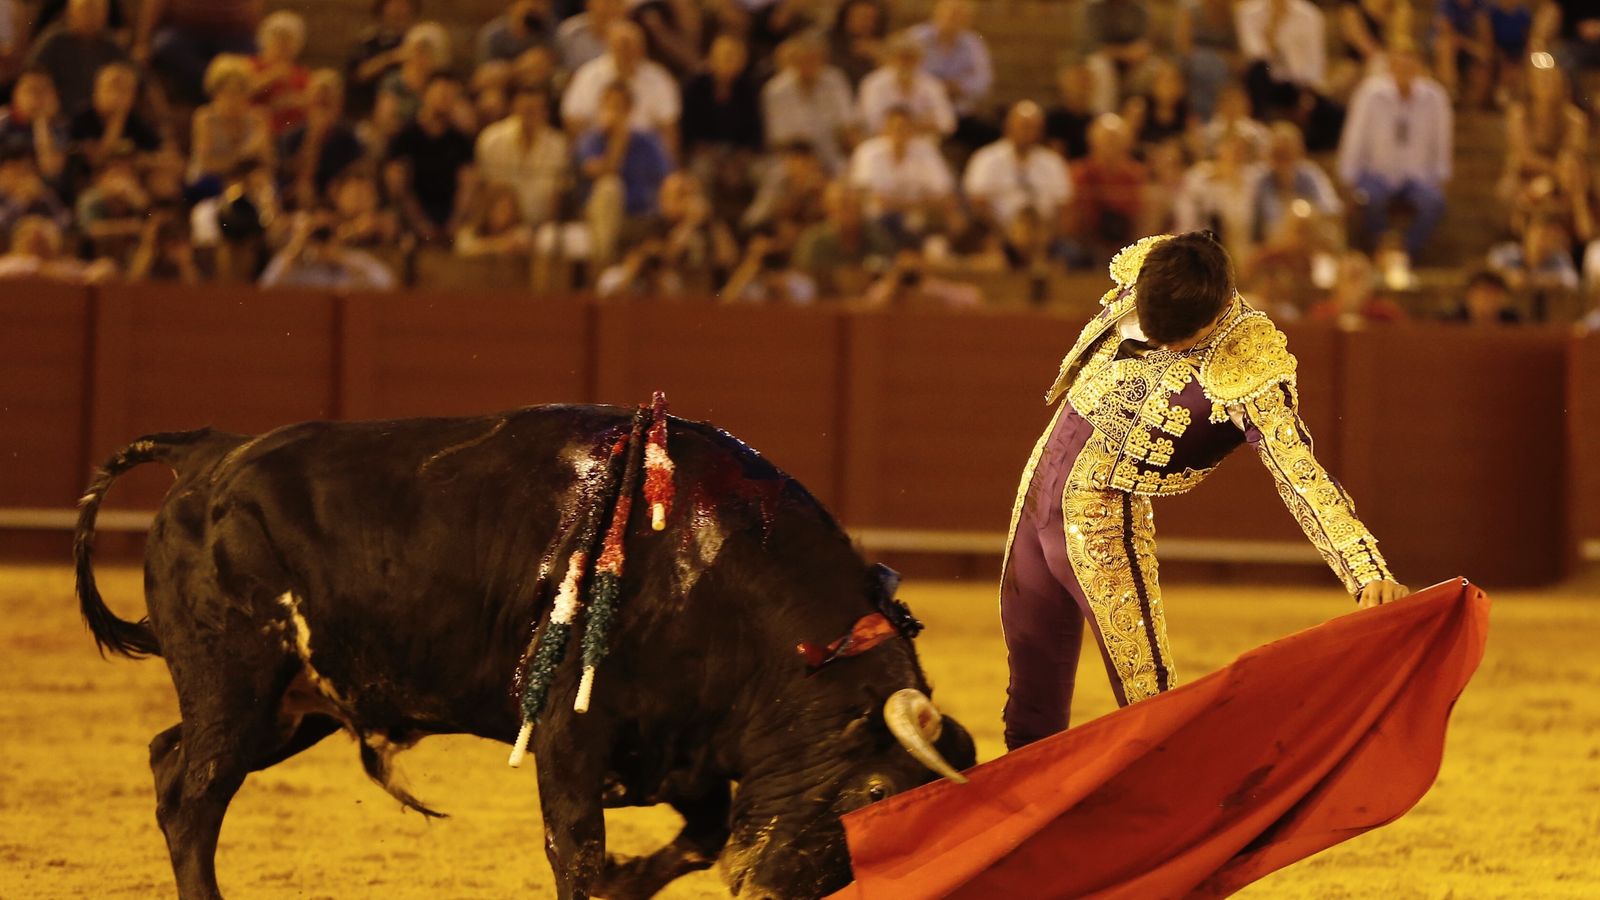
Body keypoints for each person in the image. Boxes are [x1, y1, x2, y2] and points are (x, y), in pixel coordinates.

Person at [999, 231, 1409, 750]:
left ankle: (1165, 815)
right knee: (1030, 680)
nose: (1166, 345)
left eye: (1183, 340)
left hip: (1102, 516)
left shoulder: (1248, 360)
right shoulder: (1157, 268)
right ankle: (1024, 816)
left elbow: (1300, 474)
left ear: (1216, 316)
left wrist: (1366, 570)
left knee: (1147, 698)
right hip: (1038, 485)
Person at [1336, 41, 1452, 260]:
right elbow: (1355, 137)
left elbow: (1441, 142)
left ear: (1419, 66)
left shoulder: (1435, 98)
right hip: (1376, 174)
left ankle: (1405, 253)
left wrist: (1441, 176)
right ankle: (1383, 251)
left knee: (1434, 203)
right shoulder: (1370, 94)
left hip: (1418, 177)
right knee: (1369, 199)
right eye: (1399, 64)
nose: (1405, 69)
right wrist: (1347, 176)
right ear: (1390, 66)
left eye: (1410, 64)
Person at [574, 81, 674, 265]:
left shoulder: (648, 142)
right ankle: (601, 265)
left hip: (642, 214)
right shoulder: (590, 140)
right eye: (610, 105)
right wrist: (617, 140)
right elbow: (602, 172)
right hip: (599, 213)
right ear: (601, 107)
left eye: (620, 106)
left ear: (630, 110)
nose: (614, 111)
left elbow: (668, 177)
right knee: (610, 187)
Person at [385, 75, 477, 242]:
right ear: (425, 95)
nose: (444, 100)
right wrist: (419, 223)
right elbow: (397, 185)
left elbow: (467, 185)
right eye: (441, 94)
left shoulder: (461, 140)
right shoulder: (404, 136)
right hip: (411, 216)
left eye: (450, 96)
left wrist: (455, 221)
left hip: (450, 216)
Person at [962, 101, 1073, 241]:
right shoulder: (986, 158)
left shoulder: (1053, 163)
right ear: (1008, 126)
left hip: (1044, 237)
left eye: (1033, 127)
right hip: (997, 236)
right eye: (1023, 126)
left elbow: (1063, 207)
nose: (1027, 132)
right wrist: (1004, 235)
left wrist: (1045, 236)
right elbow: (977, 202)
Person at [561, 21, 680, 141]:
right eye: (623, 45)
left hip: (644, 149)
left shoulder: (659, 78)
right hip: (600, 144)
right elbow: (574, 120)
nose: (629, 51)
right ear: (610, 46)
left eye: (635, 45)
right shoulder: (588, 76)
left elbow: (668, 127)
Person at [762, 32, 858, 174]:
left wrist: (856, 156)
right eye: (804, 60)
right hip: (793, 156)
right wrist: (807, 165)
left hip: (831, 152)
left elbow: (848, 125)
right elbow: (779, 140)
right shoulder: (776, 90)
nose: (809, 65)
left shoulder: (835, 79)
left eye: (814, 60)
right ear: (793, 62)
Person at [134, 0, 261, 106]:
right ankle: (218, 91)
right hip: (184, 32)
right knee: (164, 46)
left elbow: (253, 7)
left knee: (254, 60)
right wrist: (142, 42)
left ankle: (225, 94)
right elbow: (155, 3)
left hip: (232, 34)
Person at [476, 84, 569, 228]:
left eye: (534, 110)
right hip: (499, 227)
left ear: (545, 112)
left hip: (541, 227)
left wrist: (544, 229)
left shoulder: (558, 145)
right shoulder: (491, 140)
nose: (528, 116)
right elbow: (485, 190)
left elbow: (556, 197)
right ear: (513, 108)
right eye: (524, 110)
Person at [279, 70, 366, 210]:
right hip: (299, 199)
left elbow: (356, 174)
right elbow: (293, 176)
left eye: (327, 102)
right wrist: (314, 138)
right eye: (318, 102)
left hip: (338, 200)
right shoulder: (292, 137)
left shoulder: (348, 136)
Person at [24, 0, 129, 116]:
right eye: (86, 9)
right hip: (58, 116)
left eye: (98, 10)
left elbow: (135, 77)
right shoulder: (54, 41)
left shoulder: (111, 45)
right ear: (71, 12)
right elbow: (30, 76)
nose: (92, 16)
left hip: (98, 119)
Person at [189, 54, 273, 195]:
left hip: (248, 181)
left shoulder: (258, 119)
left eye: (240, 92)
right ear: (215, 93)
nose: (233, 99)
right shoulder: (204, 118)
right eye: (227, 93)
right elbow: (207, 164)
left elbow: (267, 164)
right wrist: (241, 158)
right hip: (210, 180)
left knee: (263, 185)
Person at [908, 0, 993, 133]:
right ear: (937, 13)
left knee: (989, 132)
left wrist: (959, 87)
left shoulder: (973, 44)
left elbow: (983, 81)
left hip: (959, 112)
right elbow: (906, 71)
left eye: (960, 15)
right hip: (922, 110)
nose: (953, 19)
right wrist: (936, 87)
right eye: (950, 14)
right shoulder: (916, 38)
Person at [1251, 122, 1342, 243]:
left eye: (1288, 153)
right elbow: (1260, 224)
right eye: (1278, 154)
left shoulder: (1311, 174)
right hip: (1276, 245)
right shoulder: (1261, 181)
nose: (1284, 161)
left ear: (1300, 152)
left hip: (1311, 239)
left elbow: (1331, 210)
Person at [260, 212, 397, 290]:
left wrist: (339, 258)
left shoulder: (353, 259)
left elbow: (388, 284)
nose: (321, 242)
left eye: (327, 235)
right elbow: (266, 287)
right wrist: (298, 244)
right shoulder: (293, 263)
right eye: (316, 236)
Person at [856, 32, 956, 137]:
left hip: (921, 143)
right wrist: (919, 123)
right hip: (882, 141)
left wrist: (906, 127)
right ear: (890, 59)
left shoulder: (932, 85)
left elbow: (948, 123)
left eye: (911, 58)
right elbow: (872, 123)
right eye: (901, 57)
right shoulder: (873, 83)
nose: (905, 63)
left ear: (919, 60)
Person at [346, 0, 417, 116]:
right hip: (367, 109)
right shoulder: (368, 42)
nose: (398, 9)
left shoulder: (415, 41)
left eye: (404, 4)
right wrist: (391, 58)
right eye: (393, 4)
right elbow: (358, 74)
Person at [0, 70, 68, 182]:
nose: (37, 97)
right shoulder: (3, 121)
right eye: (31, 90)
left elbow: (51, 169)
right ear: (15, 95)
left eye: (44, 90)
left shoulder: (60, 125)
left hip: (42, 190)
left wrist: (41, 122)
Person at [249, 10, 310, 134]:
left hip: (293, 130)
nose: (283, 45)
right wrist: (270, 77)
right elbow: (238, 91)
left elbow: (311, 101)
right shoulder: (251, 65)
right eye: (278, 39)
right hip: (256, 128)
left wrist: (294, 101)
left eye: (289, 40)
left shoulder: (302, 73)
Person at [1307, 249, 1408, 323]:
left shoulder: (1386, 315)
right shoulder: (1322, 315)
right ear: (1337, 282)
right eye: (1350, 277)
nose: (1354, 286)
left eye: (1360, 277)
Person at [829, 0, 888, 87]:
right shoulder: (831, 43)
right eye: (862, 17)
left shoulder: (881, 44)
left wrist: (879, 58)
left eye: (871, 19)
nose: (866, 24)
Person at [478, 0, 554, 65]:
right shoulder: (493, 35)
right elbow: (485, 71)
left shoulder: (547, 28)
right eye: (534, 2)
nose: (538, 8)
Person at [556, 0, 625, 71]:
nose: (611, 7)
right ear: (589, 3)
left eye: (616, 2)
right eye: (605, 2)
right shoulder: (572, 33)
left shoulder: (629, 35)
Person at [1444, 268, 1522, 323]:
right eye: (1480, 295)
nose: (1485, 301)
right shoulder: (1453, 322)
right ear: (1468, 296)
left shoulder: (1512, 323)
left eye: (1491, 294)